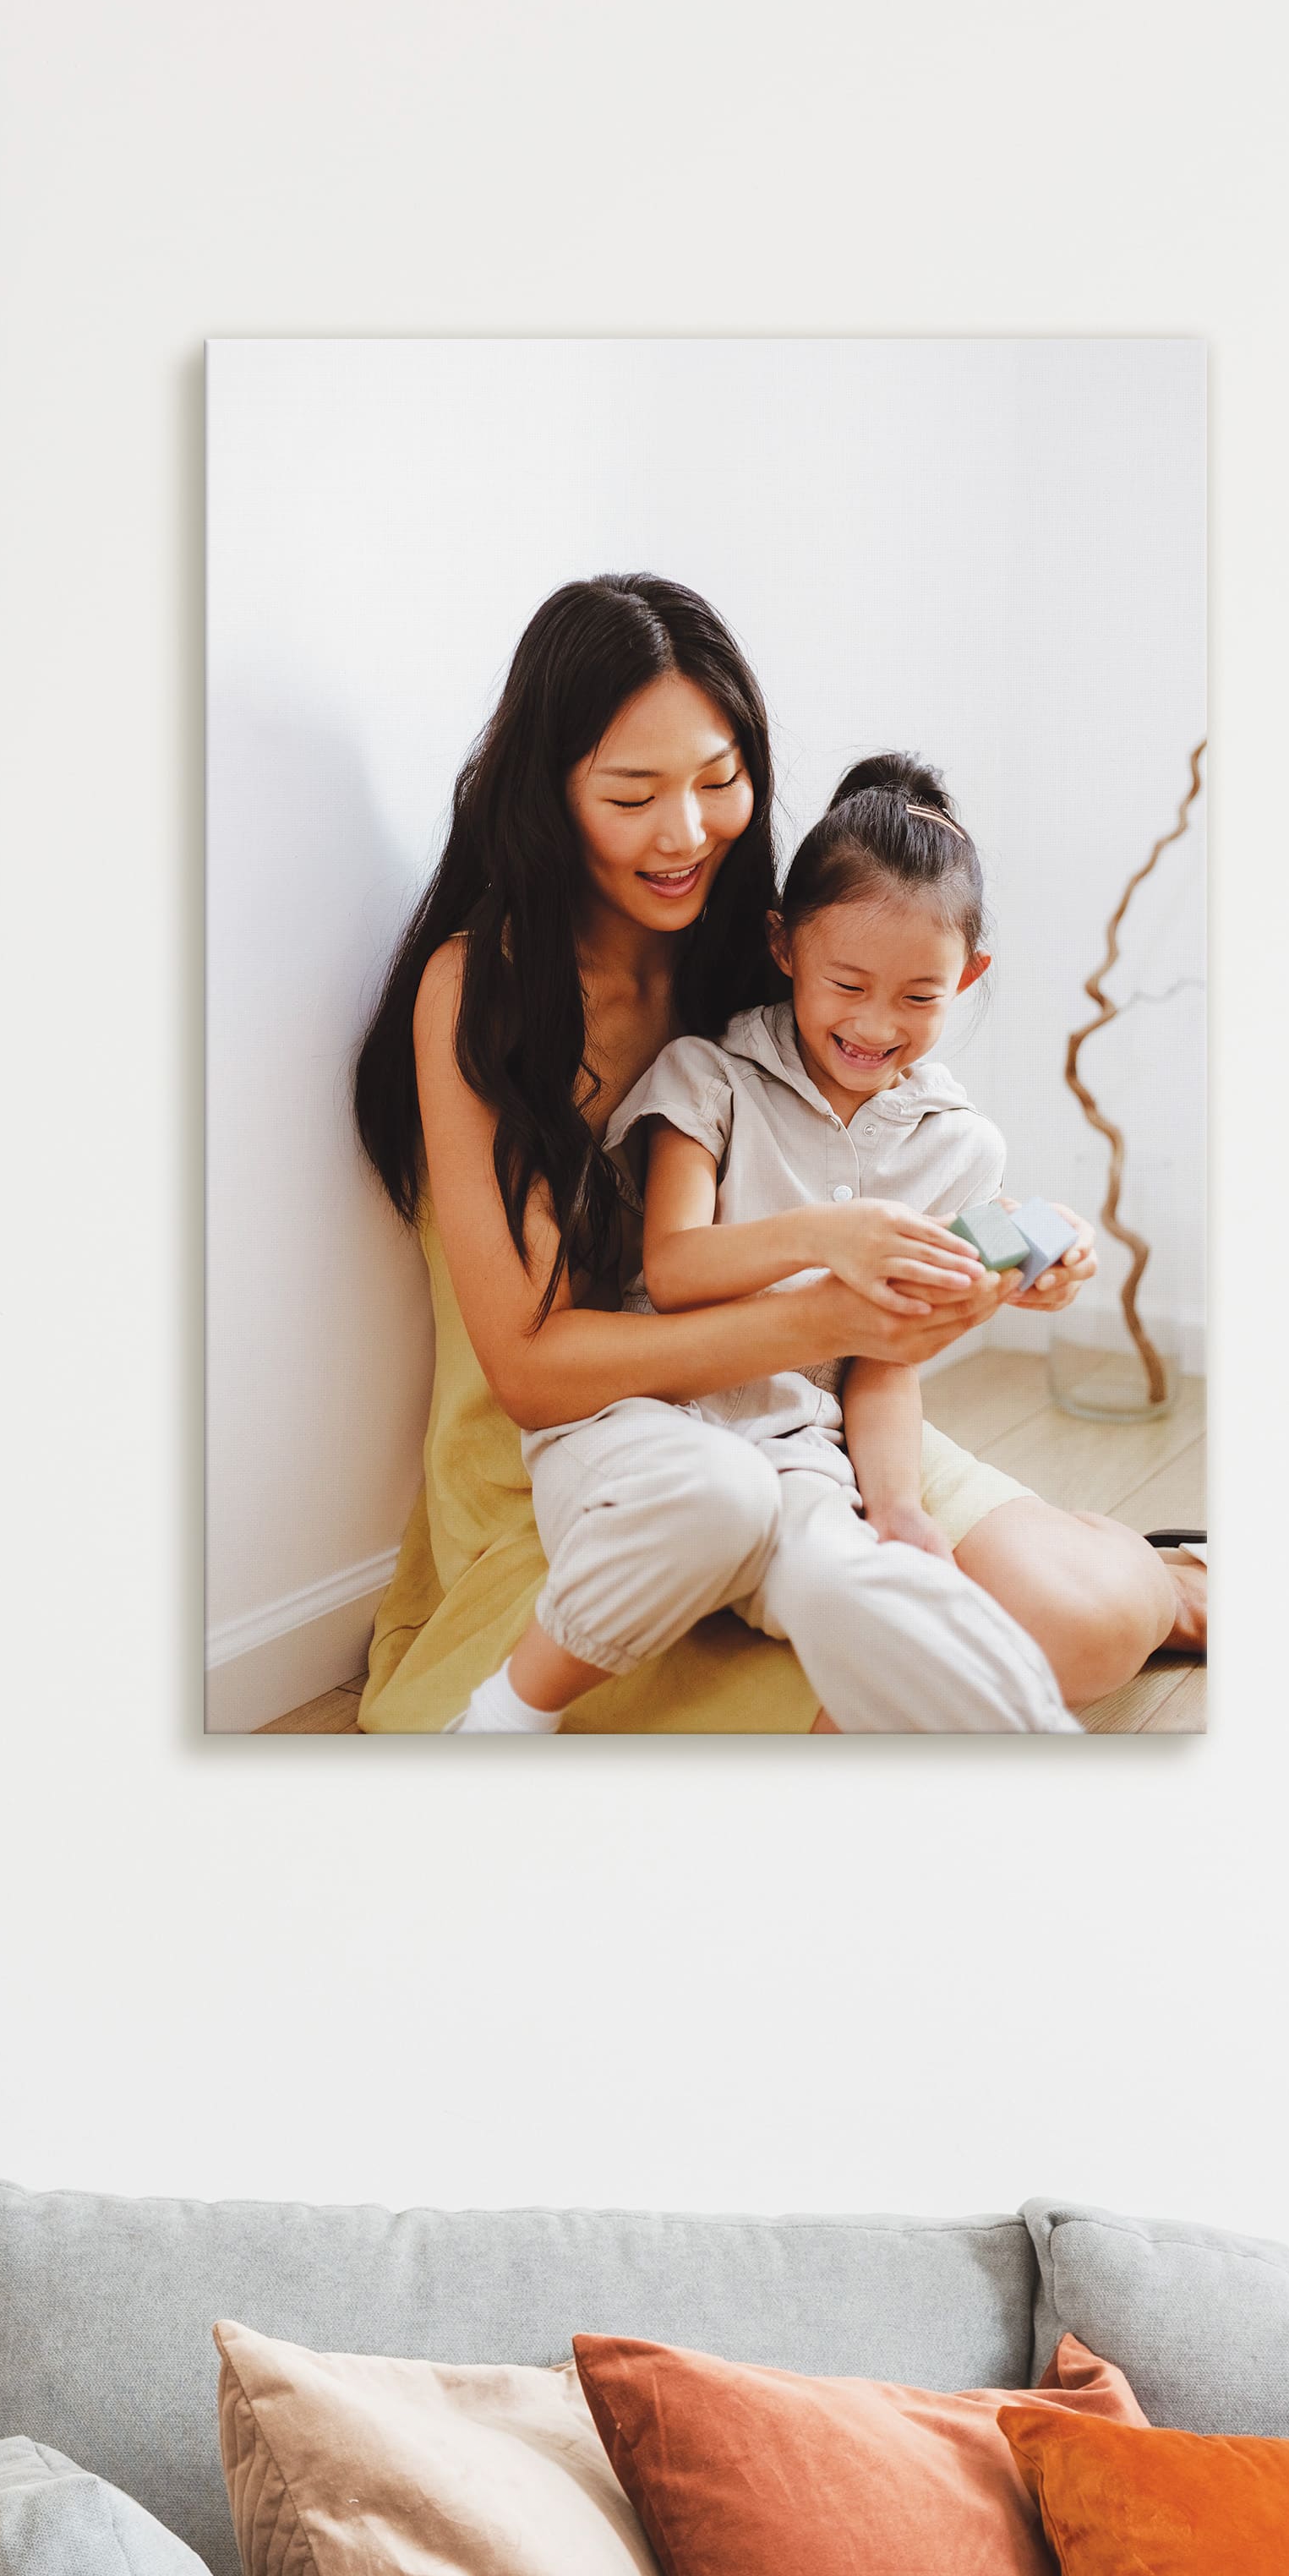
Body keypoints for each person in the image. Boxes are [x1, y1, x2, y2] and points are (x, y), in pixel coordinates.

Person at [348, 576, 1205, 1736]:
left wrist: (1004, 1246)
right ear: (548, 795)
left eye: (717, 780)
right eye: (630, 793)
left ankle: (1159, 1576)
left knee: (1091, 1623)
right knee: (846, 1686)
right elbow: (534, 1368)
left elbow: (869, 1173)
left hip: (803, 1412)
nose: (685, 831)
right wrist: (833, 1307)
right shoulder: (483, 992)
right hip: (599, 1448)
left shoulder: (764, 966)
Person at [462, 750, 1089, 1734]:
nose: (877, 1024)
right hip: (640, 1419)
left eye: (920, 999)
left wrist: (897, 1510)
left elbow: (883, 1362)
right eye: (848, 982)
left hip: (805, 1454)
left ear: (968, 978)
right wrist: (831, 1237)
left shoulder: (962, 1148)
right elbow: (671, 1271)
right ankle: (499, 1720)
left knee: (873, 1585)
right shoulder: (710, 1078)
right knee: (720, 1494)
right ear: (785, 946)